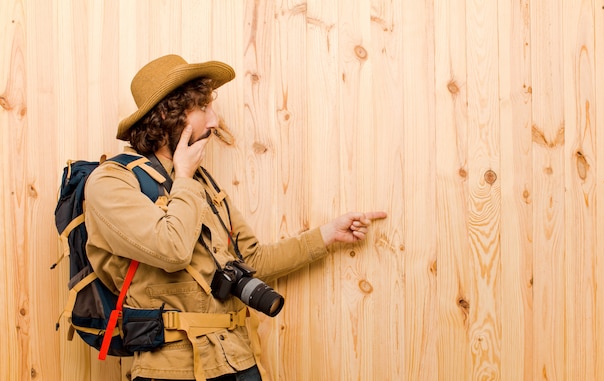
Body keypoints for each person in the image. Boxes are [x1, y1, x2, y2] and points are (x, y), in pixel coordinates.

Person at [84, 54, 387, 381]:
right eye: (202, 106)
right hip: (172, 372)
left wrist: (327, 234)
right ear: (166, 114)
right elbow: (172, 251)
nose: (214, 120)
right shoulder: (111, 182)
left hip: (240, 361)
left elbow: (253, 258)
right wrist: (185, 176)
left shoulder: (202, 184)